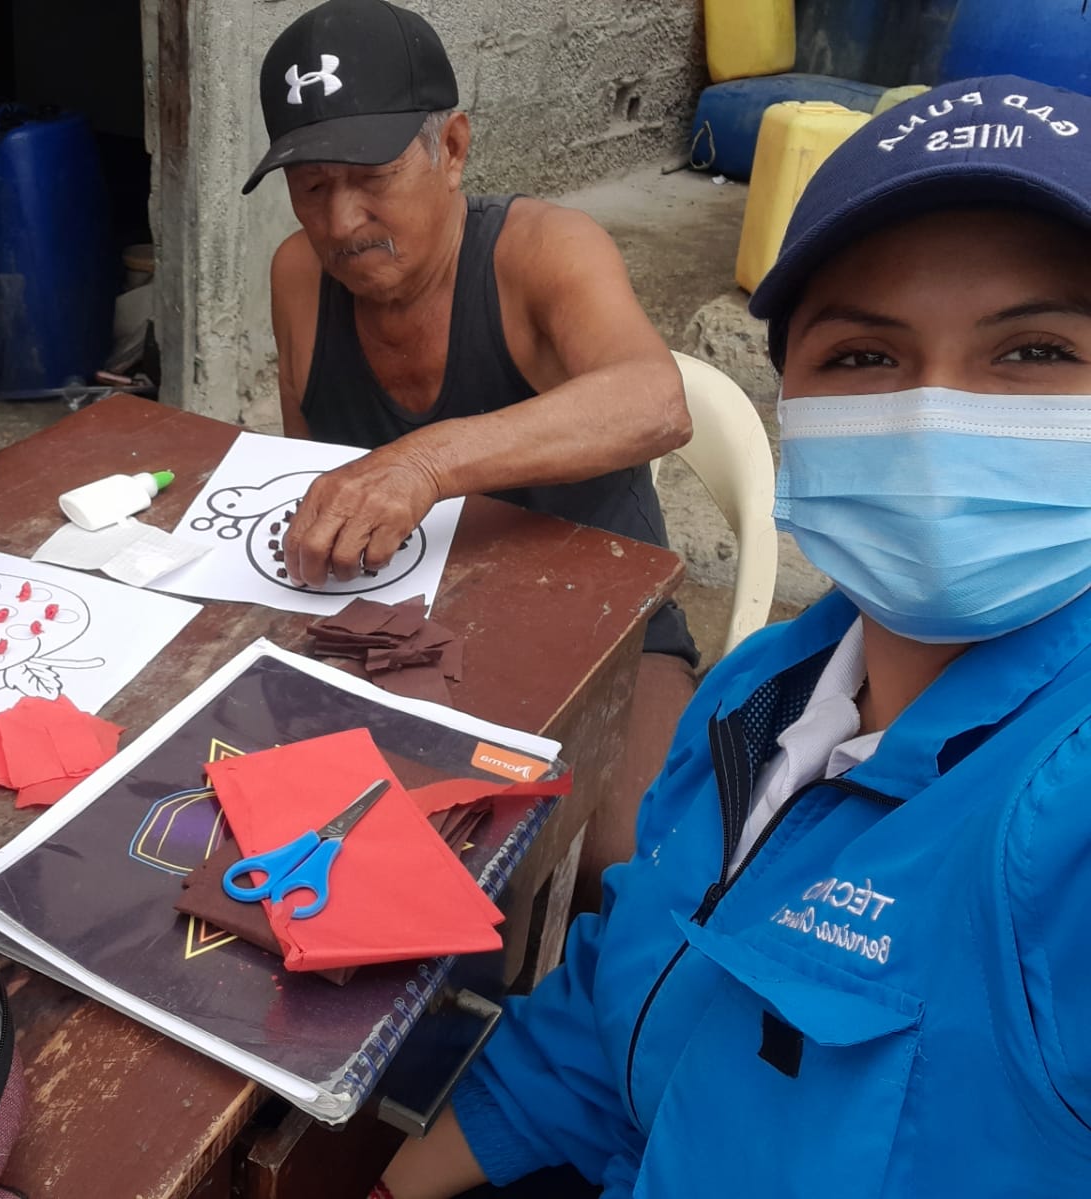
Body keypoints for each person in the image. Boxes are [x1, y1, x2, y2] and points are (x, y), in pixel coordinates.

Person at [374, 74, 1091, 1198]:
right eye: (863, 356)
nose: (932, 415)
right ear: (790, 397)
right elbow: (613, 1006)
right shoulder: (760, 690)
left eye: (1036, 351)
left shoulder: (1060, 821)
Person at [247, 0, 699, 893]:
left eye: (370, 176)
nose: (340, 221)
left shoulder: (540, 252)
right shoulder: (298, 275)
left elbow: (655, 401)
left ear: (450, 148)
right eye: (310, 186)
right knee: (308, 831)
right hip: (396, 633)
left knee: (618, 861)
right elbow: (309, 471)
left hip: (601, 631)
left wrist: (424, 461)